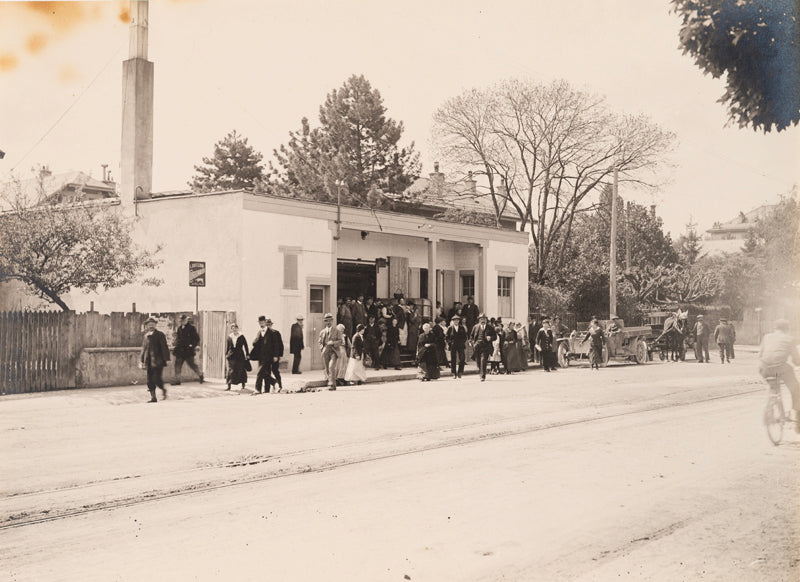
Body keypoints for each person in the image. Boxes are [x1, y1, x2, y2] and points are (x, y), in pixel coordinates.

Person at [759, 319, 800, 432]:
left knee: (774, 386)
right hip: (780, 369)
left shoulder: (766, 337)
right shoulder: (789, 339)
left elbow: (761, 354)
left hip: (764, 368)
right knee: (796, 390)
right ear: (787, 329)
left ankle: (772, 406)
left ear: (775, 328)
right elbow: (796, 360)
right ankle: (798, 422)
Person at [140, 316, 170, 403]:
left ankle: (163, 390)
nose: (151, 326)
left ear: (155, 325)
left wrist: (165, 359)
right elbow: (144, 349)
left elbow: (164, 347)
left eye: (153, 324)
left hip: (158, 361)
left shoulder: (160, 335)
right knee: (149, 380)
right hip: (148, 361)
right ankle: (153, 397)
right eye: (149, 324)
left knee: (157, 378)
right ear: (147, 326)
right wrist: (142, 360)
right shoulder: (146, 336)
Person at [251, 316, 283, 394]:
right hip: (261, 357)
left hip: (269, 356)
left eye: (262, 323)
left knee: (260, 372)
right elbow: (255, 343)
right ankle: (271, 386)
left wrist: (276, 355)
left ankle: (258, 389)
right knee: (265, 373)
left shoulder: (273, 333)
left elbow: (276, 345)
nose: (261, 324)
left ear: (265, 322)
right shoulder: (259, 332)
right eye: (260, 323)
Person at [172, 314, 203, 385]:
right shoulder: (179, 328)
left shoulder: (192, 328)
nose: (182, 322)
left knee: (192, 365)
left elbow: (197, 339)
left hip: (188, 351)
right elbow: (178, 338)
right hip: (180, 350)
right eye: (181, 321)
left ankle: (200, 375)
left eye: (183, 320)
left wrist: (192, 345)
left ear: (186, 320)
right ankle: (177, 380)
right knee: (177, 365)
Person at [469, 313, 497, 381]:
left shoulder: (490, 327)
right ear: (479, 320)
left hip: (486, 347)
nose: (483, 320)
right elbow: (471, 337)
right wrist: (472, 342)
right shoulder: (475, 327)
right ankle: (481, 371)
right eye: (481, 319)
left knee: (483, 361)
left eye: (484, 319)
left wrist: (490, 337)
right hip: (477, 346)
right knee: (478, 362)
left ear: (486, 320)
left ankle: (482, 376)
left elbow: (495, 336)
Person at [319, 313, 343, 390]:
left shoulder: (337, 331)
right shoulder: (322, 332)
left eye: (330, 320)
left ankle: (332, 384)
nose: (328, 322)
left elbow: (341, 341)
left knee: (331, 366)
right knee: (327, 368)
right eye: (326, 321)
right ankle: (331, 383)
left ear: (332, 321)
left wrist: (333, 343)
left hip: (334, 351)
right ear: (324, 322)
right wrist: (322, 348)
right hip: (326, 352)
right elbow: (319, 342)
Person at [225, 322, 249, 390]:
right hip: (231, 355)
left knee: (241, 369)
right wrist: (226, 354)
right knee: (231, 370)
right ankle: (228, 385)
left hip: (240, 355)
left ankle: (243, 384)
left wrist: (247, 354)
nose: (234, 330)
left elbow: (246, 345)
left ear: (237, 329)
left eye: (235, 328)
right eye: (233, 328)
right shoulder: (229, 337)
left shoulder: (241, 336)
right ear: (231, 329)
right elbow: (228, 347)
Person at [446, 314, 468, 379]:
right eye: (455, 320)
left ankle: (460, 372)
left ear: (459, 321)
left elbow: (465, 337)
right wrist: (450, 343)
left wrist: (462, 342)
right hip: (453, 345)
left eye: (457, 320)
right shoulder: (450, 328)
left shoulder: (461, 328)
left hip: (460, 345)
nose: (456, 321)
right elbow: (447, 337)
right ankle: (453, 373)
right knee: (453, 359)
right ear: (453, 321)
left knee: (462, 358)